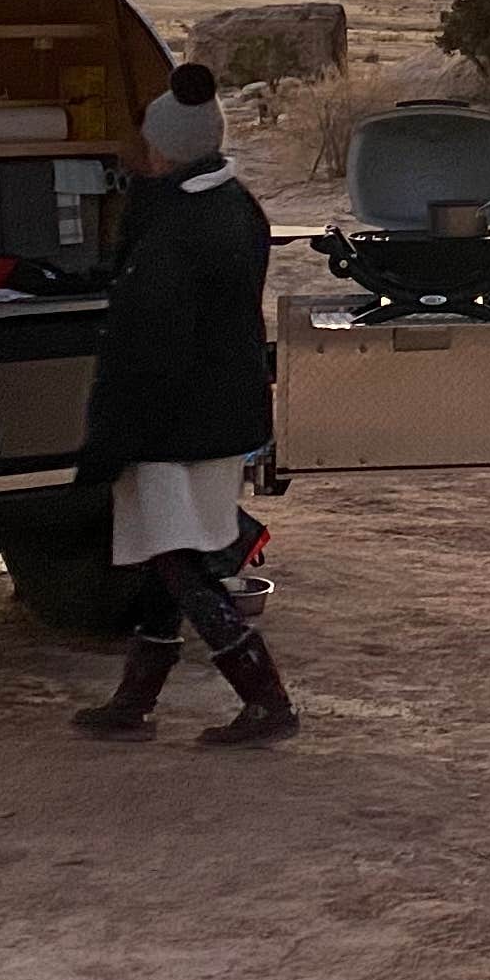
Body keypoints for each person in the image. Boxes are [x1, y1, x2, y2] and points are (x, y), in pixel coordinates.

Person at [64, 63, 299, 745]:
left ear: (165, 149)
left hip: (175, 424)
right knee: (169, 553)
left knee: (176, 558)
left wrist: (109, 439)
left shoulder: (176, 230)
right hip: (220, 410)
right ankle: (134, 699)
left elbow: (149, 352)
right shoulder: (235, 207)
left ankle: (266, 700)